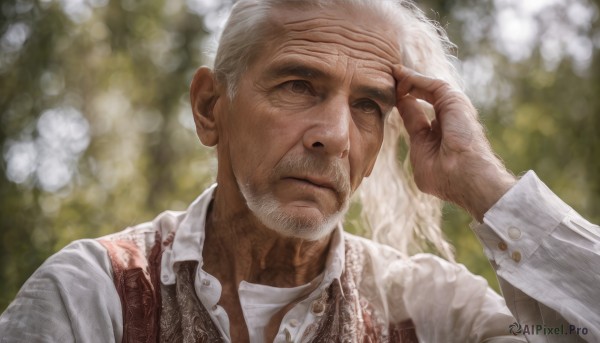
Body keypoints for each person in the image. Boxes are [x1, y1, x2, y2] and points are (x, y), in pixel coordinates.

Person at [1, 0, 598, 342]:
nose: (334, 136)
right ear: (212, 107)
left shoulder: (427, 309)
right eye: (297, 85)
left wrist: (486, 186)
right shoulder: (93, 293)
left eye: (368, 105)